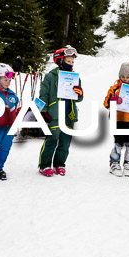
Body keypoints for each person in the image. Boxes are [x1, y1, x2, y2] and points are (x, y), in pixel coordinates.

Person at [38, 46, 84, 177]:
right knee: (52, 139)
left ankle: (59, 164)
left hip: (69, 114)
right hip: (54, 114)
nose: (70, 64)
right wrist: (44, 112)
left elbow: (79, 98)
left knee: (65, 143)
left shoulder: (75, 77)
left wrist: (80, 94)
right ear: (59, 61)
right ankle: (44, 165)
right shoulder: (50, 77)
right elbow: (43, 95)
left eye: (72, 62)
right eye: (68, 61)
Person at [103, 61, 129, 177]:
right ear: (119, 76)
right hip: (118, 119)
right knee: (119, 141)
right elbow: (106, 103)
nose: (125, 79)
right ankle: (114, 163)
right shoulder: (114, 89)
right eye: (123, 76)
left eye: (128, 77)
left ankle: (128, 163)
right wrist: (113, 101)